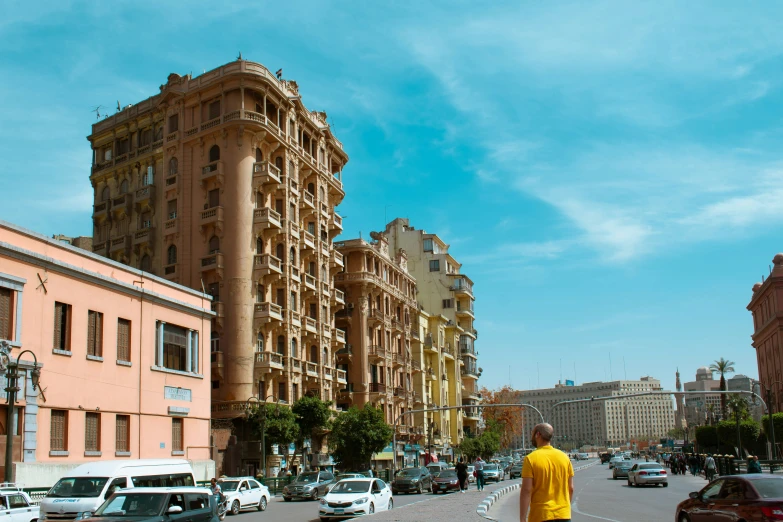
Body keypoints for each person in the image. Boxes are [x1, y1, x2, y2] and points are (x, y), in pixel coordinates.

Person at [519, 423, 574, 522]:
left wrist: (522, 519)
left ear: (538, 435)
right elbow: (571, 488)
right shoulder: (564, 457)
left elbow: (526, 491)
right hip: (564, 516)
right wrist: (564, 509)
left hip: (541, 516)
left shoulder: (530, 459)